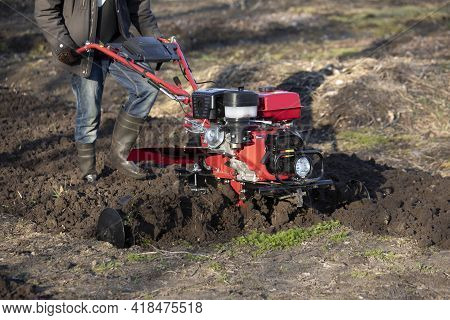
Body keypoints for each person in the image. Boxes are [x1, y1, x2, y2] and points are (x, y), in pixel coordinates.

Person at [35, 0, 163, 182]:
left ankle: (120, 155)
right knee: (89, 111)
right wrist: (63, 45)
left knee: (148, 87)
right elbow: (45, 9)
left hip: (118, 43)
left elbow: (139, 7)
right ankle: (88, 172)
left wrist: (156, 40)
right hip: (82, 51)